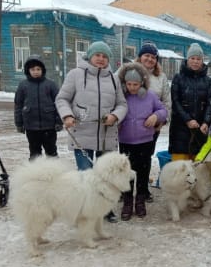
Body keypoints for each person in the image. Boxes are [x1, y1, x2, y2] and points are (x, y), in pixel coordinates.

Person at [55, 41, 128, 223]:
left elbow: (122, 104)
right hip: (82, 134)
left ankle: (106, 209)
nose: (101, 59)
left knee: (108, 176)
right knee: (86, 176)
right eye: (98, 55)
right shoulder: (75, 75)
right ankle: (86, 211)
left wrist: (115, 116)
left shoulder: (113, 78)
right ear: (90, 56)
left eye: (105, 56)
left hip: (107, 136)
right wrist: (67, 116)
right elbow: (62, 98)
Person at [117, 62, 167, 220]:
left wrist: (155, 116)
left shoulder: (150, 96)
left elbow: (163, 110)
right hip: (125, 141)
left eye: (136, 84)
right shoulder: (121, 97)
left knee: (143, 172)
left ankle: (140, 201)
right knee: (127, 174)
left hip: (145, 141)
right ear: (124, 83)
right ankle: (127, 202)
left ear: (142, 83)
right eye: (129, 84)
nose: (132, 87)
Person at [135, 41, 171, 202]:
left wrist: (162, 120)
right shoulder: (128, 71)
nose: (150, 59)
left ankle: (143, 190)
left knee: (145, 158)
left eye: (153, 57)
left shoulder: (160, 77)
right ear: (140, 57)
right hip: (130, 126)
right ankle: (126, 191)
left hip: (152, 126)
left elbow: (166, 101)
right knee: (128, 158)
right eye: (146, 56)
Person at [168, 42, 211, 161]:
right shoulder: (178, 78)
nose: (195, 61)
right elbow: (175, 101)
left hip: (199, 129)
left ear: (202, 61)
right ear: (187, 59)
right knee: (180, 170)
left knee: (198, 169)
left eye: (198, 59)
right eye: (192, 58)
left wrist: (206, 122)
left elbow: (210, 104)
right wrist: (187, 119)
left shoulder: (207, 81)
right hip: (180, 129)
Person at [14, 55, 63, 160]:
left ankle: (55, 173)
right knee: (35, 154)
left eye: (38, 69)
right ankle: (35, 174)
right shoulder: (23, 85)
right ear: (28, 70)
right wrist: (19, 123)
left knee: (51, 152)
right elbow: (18, 105)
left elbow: (59, 103)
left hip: (49, 127)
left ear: (43, 70)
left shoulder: (50, 85)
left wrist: (59, 121)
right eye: (32, 69)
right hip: (31, 127)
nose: (35, 72)